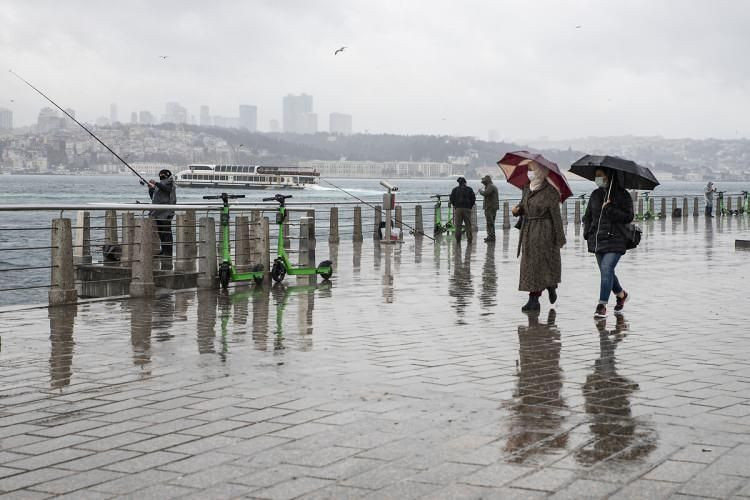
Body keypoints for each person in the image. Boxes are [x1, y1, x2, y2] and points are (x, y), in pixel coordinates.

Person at [512, 163, 566, 312]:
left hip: (544, 232)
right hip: (528, 231)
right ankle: (550, 286)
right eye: (528, 170)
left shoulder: (550, 191)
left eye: (531, 169)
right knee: (530, 264)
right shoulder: (527, 188)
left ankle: (534, 299)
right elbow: (524, 206)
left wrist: (560, 238)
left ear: (540, 172)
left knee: (539, 264)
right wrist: (517, 210)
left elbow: (556, 216)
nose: (529, 172)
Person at [582, 167, 634, 318]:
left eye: (600, 175)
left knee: (606, 268)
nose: (597, 179)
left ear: (608, 176)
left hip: (616, 239)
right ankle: (621, 294)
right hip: (598, 239)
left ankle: (602, 305)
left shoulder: (623, 195)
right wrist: (587, 232)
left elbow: (628, 217)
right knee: (607, 272)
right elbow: (588, 216)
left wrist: (610, 208)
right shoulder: (595, 194)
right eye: (595, 175)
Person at [147, 169, 177, 256]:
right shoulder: (160, 185)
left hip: (166, 213)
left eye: (163, 175)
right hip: (158, 213)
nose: (161, 176)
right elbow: (154, 198)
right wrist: (151, 189)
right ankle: (163, 250)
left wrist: (156, 183)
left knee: (166, 233)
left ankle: (168, 252)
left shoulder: (170, 183)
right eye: (160, 175)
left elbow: (167, 190)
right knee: (161, 233)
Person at [449, 177, 476, 243]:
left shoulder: (455, 189)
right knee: (468, 225)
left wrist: (455, 206)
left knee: (458, 225)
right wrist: (470, 206)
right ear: (465, 182)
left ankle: (458, 240)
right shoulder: (469, 189)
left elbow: (451, 199)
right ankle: (469, 240)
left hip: (458, 209)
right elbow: (473, 199)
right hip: (467, 209)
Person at [478, 174, 499, 242]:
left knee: (490, 222)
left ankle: (491, 236)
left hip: (490, 207)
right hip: (491, 207)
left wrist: (480, 191)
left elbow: (485, 193)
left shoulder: (490, 186)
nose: (483, 182)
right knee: (490, 222)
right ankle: (491, 235)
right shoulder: (489, 186)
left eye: (484, 180)